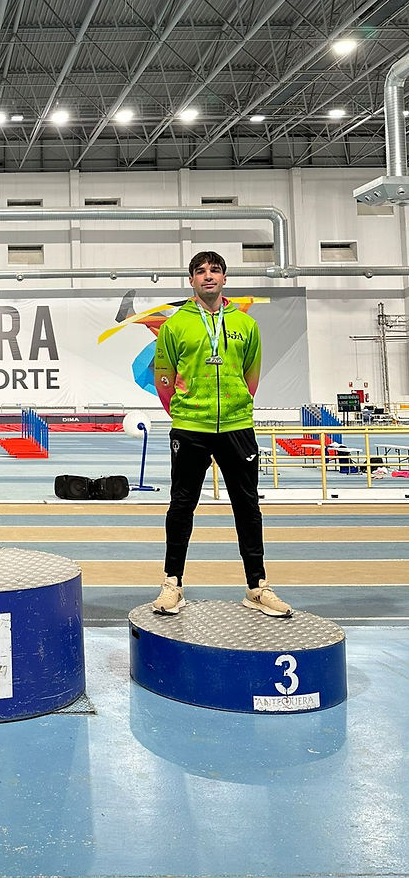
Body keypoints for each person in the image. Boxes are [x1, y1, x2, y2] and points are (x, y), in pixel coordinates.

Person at [152, 250, 292, 618]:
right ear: (191, 280)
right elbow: (163, 378)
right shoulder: (175, 324)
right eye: (200, 272)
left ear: (225, 278)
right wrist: (184, 410)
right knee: (182, 505)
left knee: (247, 506)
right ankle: (172, 583)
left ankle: (257, 586)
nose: (208, 276)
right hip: (190, 427)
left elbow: (252, 374)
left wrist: (236, 405)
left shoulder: (246, 325)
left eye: (215, 270)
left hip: (236, 426)